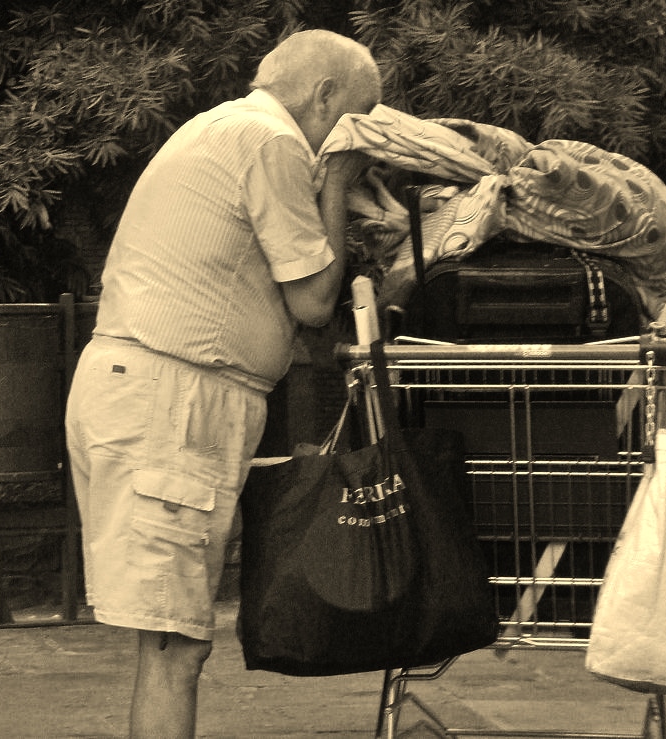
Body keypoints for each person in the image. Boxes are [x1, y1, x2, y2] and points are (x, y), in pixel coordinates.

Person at [64, 30, 382, 738]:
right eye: (356, 114)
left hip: (161, 393)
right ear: (324, 94)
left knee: (171, 641)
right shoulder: (270, 143)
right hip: (173, 401)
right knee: (177, 644)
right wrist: (337, 180)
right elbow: (312, 301)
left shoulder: (223, 128)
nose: (354, 137)